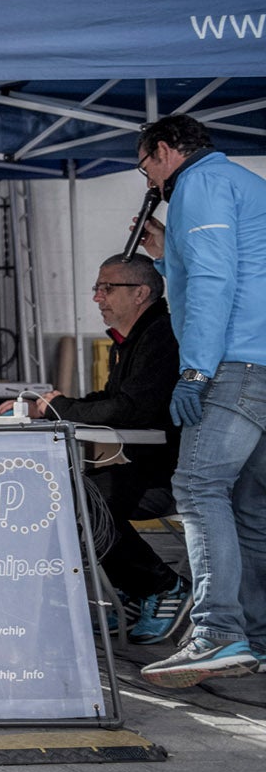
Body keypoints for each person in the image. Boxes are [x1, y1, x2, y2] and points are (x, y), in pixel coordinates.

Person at [134, 114, 266, 687]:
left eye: (145, 168)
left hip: (235, 363)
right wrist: (167, 258)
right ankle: (255, 639)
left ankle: (216, 631)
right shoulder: (243, 183)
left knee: (198, 486)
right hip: (260, 359)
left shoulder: (199, 184)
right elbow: (238, 269)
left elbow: (215, 281)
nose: (149, 184)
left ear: (165, 150)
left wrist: (194, 370)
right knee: (248, 506)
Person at [0, 253, 189, 643]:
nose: (98, 298)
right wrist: (49, 408)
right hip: (134, 462)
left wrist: (61, 407)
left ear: (141, 293)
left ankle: (162, 585)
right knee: (62, 497)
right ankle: (135, 589)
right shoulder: (134, 337)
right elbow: (112, 398)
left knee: (81, 505)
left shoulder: (162, 336)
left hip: (163, 469)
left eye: (107, 288)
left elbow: (134, 408)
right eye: (96, 289)